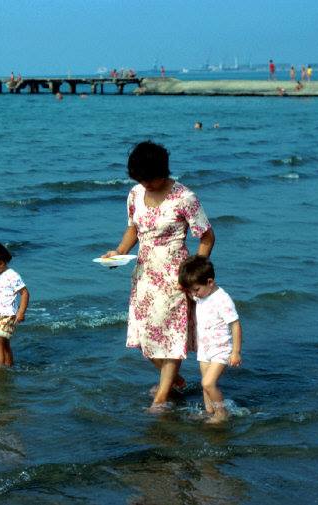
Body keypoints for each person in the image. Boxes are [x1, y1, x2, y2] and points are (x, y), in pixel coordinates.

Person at [102, 141, 215, 411]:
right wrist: (118, 252)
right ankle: (173, 380)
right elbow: (133, 229)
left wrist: (196, 270)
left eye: (149, 178)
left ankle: (161, 399)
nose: (145, 184)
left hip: (176, 276)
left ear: (164, 172)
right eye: (140, 179)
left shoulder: (184, 197)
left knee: (170, 338)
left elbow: (207, 237)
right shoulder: (134, 193)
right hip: (144, 274)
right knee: (145, 338)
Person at [178, 255, 242, 423]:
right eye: (191, 290)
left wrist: (236, 352)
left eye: (196, 289)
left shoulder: (222, 299)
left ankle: (222, 413)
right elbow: (191, 290)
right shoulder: (201, 294)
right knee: (204, 384)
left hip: (221, 349)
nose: (193, 294)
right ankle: (209, 411)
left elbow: (235, 325)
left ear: (210, 282)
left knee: (208, 383)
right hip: (205, 348)